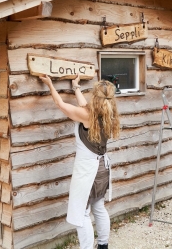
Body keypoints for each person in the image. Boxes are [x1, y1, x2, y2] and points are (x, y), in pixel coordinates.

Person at [40, 74, 120, 249]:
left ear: (95, 97)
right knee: (99, 207)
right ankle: (103, 245)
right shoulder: (108, 113)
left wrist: (50, 85)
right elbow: (84, 107)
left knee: (82, 213)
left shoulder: (87, 116)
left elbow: (61, 105)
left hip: (87, 171)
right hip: (102, 169)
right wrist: (75, 87)